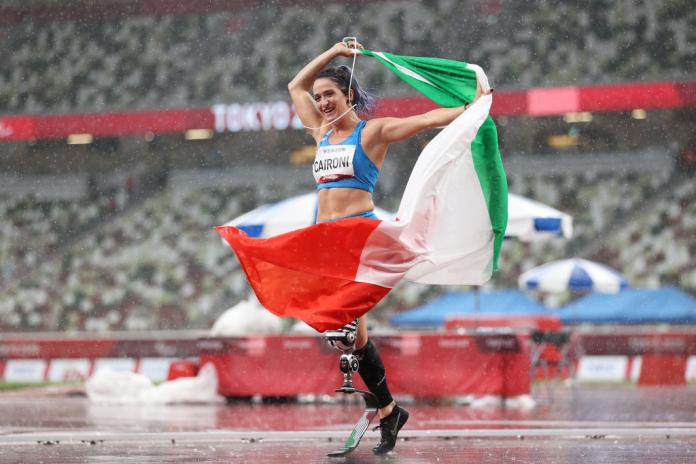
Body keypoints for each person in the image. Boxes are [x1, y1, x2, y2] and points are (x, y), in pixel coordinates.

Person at [288, 40, 487, 455]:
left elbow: (427, 119)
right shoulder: (321, 132)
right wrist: (333, 52)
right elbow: (295, 86)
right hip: (324, 240)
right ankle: (389, 409)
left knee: (345, 329)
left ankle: (388, 409)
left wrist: (470, 110)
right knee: (352, 337)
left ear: (350, 96)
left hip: (358, 238)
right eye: (320, 96)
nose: (322, 101)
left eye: (330, 94)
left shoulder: (371, 132)